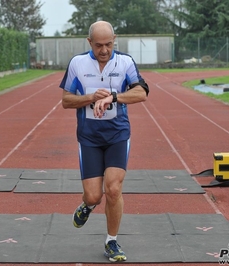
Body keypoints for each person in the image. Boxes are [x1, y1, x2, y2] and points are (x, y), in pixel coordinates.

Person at [59, 20, 149, 262]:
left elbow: (142, 92)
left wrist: (114, 97)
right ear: (89, 42)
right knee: (93, 196)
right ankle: (87, 206)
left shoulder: (125, 62)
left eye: (109, 44)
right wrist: (90, 97)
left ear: (114, 40)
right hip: (89, 137)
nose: (104, 50)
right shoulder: (78, 64)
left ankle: (112, 241)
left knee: (113, 188)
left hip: (117, 134)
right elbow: (66, 100)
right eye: (99, 45)